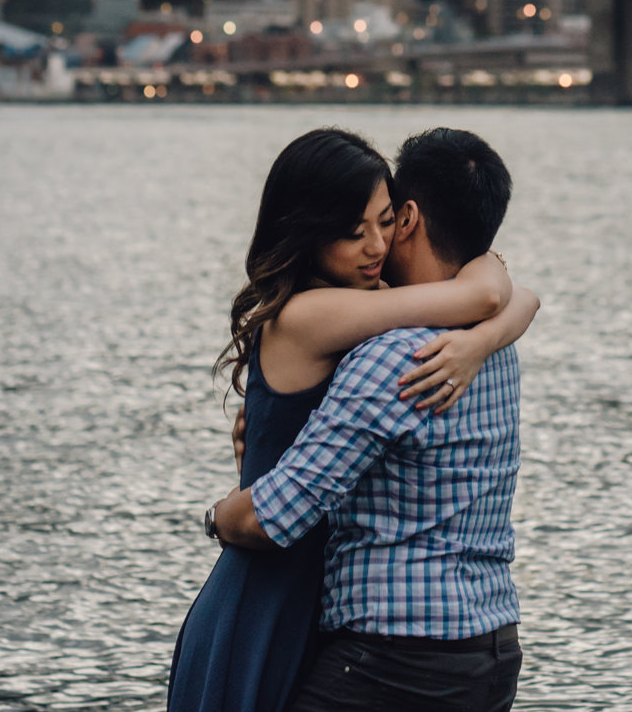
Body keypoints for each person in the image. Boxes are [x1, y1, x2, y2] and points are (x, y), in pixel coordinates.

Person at [170, 128, 539, 712]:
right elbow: (501, 294)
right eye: (353, 231)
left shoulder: (395, 352)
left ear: (408, 216)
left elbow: (270, 514)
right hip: (475, 641)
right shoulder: (471, 350)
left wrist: (212, 516)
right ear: (309, 233)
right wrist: (488, 335)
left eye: (385, 222)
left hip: (362, 629)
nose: (375, 245)